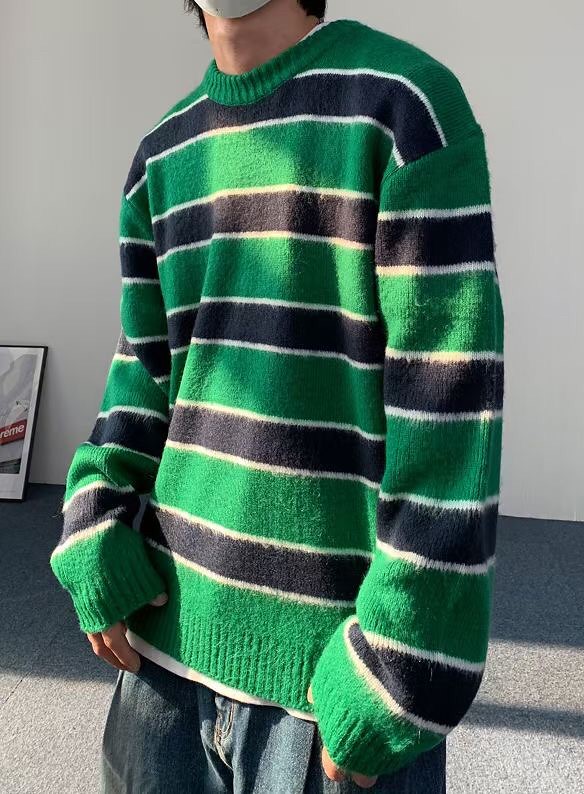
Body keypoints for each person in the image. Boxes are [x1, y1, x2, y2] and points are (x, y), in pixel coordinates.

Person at [49, 1, 505, 791]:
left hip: (327, 692)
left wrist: (401, 660)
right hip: (160, 665)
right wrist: (94, 521)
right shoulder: (162, 155)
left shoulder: (402, 108)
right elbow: (143, 378)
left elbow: (451, 413)